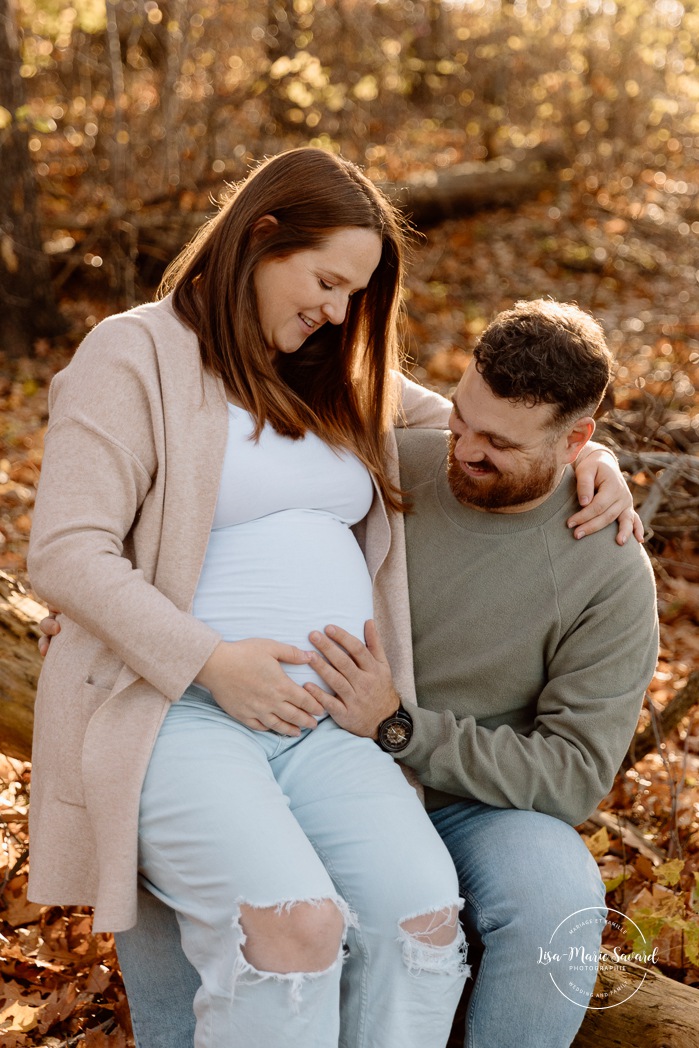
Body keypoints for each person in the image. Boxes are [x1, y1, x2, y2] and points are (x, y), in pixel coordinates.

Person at [29, 148, 639, 1048]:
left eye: (355, 293)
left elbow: (484, 426)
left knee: (422, 926)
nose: (337, 310)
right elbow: (66, 550)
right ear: (260, 239)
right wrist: (210, 662)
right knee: (294, 930)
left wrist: (593, 459)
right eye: (326, 280)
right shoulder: (137, 351)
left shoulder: (332, 372)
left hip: (330, 728)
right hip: (185, 709)